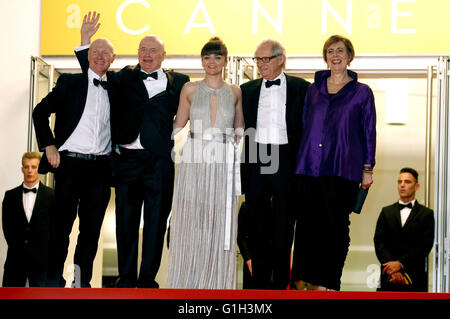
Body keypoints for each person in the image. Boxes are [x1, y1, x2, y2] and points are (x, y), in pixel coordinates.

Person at [76, 12, 190, 288]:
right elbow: (93, 72)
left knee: (156, 223)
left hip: (160, 163)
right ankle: (126, 279)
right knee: (125, 222)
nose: (147, 54)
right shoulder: (124, 77)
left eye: (153, 51)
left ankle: (147, 279)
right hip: (127, 161)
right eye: (142, 50)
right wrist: (84, 42)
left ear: (164, 55)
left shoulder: (181, 82)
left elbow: (190, 112)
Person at [291, 35, 377, 291]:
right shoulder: (313, 90)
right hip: (310, 167)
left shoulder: (362, 92)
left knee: (335, 227)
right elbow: (305, 126)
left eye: (340, 51)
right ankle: (303, 283)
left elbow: (368, 131)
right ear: (325, 57)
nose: (335, 55)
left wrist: (367, 168)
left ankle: (329, 284)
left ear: (349, 56)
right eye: (330, 51)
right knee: (307, 225)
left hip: (343, 168)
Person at [32, 35, 115, 288]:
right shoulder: (70, 82)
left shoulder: (117, 87)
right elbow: (40, 112)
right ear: (87, 56)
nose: (100, 56)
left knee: (90, 234)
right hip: (69, 165)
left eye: (105, 53)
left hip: (100, 169)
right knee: (60, 229)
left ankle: (81, 283)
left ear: (113, 59)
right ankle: (52, 282)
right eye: (95, 52)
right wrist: (49, 146)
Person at [166, 37, 244, 289]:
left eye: (217, 57)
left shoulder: (235, 91)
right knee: (191, 218)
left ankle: (217, 284)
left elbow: (240, 127)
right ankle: (187, 283)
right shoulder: (189, 88)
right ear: (201, 60)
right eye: (207, 57)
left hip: (222, 157)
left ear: (224, 60)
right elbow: (178, 124)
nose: (212, 61)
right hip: (194, 156)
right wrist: (150, 141)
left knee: (219, 218)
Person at [240, 39, 310, 290]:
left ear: (281, 59)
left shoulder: (302, 88)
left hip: (285, 158)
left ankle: (281, 286)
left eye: (265, 59)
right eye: (257, 60)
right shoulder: (246, 89)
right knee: (256, 225)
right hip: (257, 158)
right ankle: (258, 287)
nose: (259, 64)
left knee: (284, 225)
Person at [374, 167, 434, 292]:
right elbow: (379, 242)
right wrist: (392, 268)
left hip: (415, 277)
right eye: (399, 182)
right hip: (388, 275)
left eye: (407, 182)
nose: (402, 185)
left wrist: (400, 264)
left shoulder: (426, 214)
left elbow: (424, 245)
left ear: (416, 186)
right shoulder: (386, 212)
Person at [2, 152, 55, 287]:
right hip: (15, 259)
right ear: (22, 169)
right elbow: (7, 227)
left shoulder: (52, 196)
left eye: (33, 167)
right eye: (26, 167)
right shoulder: (10, 196)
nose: (30, 171)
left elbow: (55, 228)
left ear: (39, 168)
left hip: (43, 261)